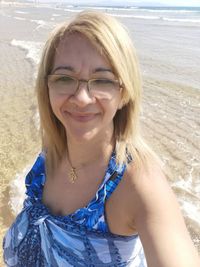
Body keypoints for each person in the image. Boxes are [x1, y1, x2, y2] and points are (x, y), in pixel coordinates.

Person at [3, 10, 200, 267]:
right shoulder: (51, 153)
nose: (82, 99)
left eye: (102, 80)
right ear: (47, 86)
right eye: (64, 78)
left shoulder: (139, 183)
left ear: (125, 92)